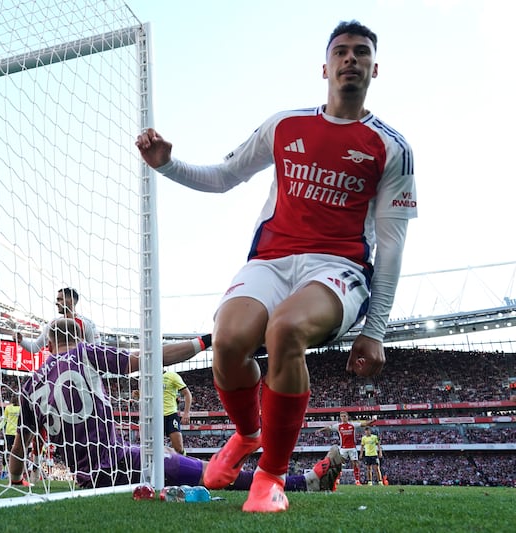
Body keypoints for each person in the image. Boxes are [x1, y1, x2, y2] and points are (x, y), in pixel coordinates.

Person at [135, 20, 416, 513]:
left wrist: (377, 330)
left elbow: (391, 243)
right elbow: (225, 175)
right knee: (227, 340)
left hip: (338, 268)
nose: (351, 59)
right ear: (324, 66)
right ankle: (246, 436)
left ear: (375, 68)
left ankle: (270, 477)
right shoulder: (285, 125)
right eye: (342, 52)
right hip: (270, 260)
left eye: (361, 53)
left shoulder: (392, 148)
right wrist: (167, 165)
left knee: (284, 331)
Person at [8, 318, 342, 494]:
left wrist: (16, 481)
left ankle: (298, 481)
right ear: (79, 339)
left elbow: (20, 446)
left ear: (48, 344)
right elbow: (150, 359)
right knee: (208, 474)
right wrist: (207, 341)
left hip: (85, 479)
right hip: (119, 462)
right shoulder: (85, 354)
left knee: (194, 467)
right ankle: (304, 483)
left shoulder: (29, 384)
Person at [15, 287, 100, 352]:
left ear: (71, 301)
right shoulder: (53, 324)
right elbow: (35, 348)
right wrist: (21, 341)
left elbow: (96, 352)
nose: (56, 303)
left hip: (78, 372)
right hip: (58, 370)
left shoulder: (86, 324)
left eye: (60, 299)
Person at [318, 411, 376, 485]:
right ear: (340, 418)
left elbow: (365, 424)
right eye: (342, 416)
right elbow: (329, 428)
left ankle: (357, 481)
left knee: (355, 463)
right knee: (340, 464)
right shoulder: (338, 426)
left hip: (352, 448)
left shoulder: (352, 424)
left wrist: (373, 421)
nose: (343, 418)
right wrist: (320, 430)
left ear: (347, 417)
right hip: (343, 448)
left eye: (344, 416)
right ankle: (337, 480)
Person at [163, 369, 192, 454]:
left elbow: (187, 394)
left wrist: (186, 413)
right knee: (155, 447)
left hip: (170, 415)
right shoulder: (148, 378)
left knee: (179, 448)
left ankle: (184, 463)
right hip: (155, 417)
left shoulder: (172, 376)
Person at [0, 393, 20, 463]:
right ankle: (4, 468)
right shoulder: (8, 408)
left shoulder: (21, 409)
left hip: (17, 433)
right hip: (8, 432)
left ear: (17, 398)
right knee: (6, 451)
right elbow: (4, 419)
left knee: (16, 452)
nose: (12, 398)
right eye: (12, 397)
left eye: (13, 397)